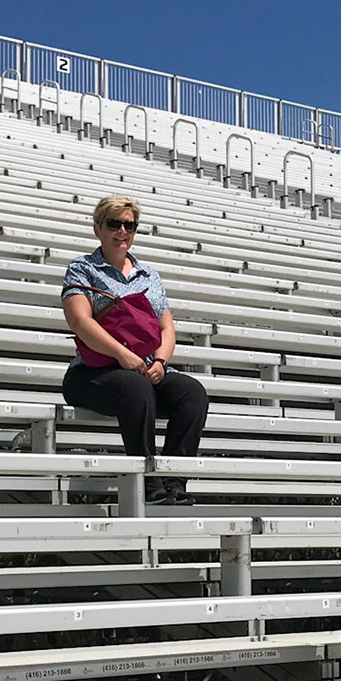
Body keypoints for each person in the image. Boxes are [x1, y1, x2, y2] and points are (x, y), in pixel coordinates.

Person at [61, 195, 209, 506]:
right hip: (93, 372)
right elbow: (80, 321)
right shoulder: (82, 269)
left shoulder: (149, 275)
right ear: (98, 228)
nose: (122, 231)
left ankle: (174, 482)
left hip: (142, 367)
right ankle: (147, 483)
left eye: (130, 225)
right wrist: (122, 355)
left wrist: (161, 360)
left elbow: (166, 327)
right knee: (136, 386)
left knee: (192, 393)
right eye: (114, 224)